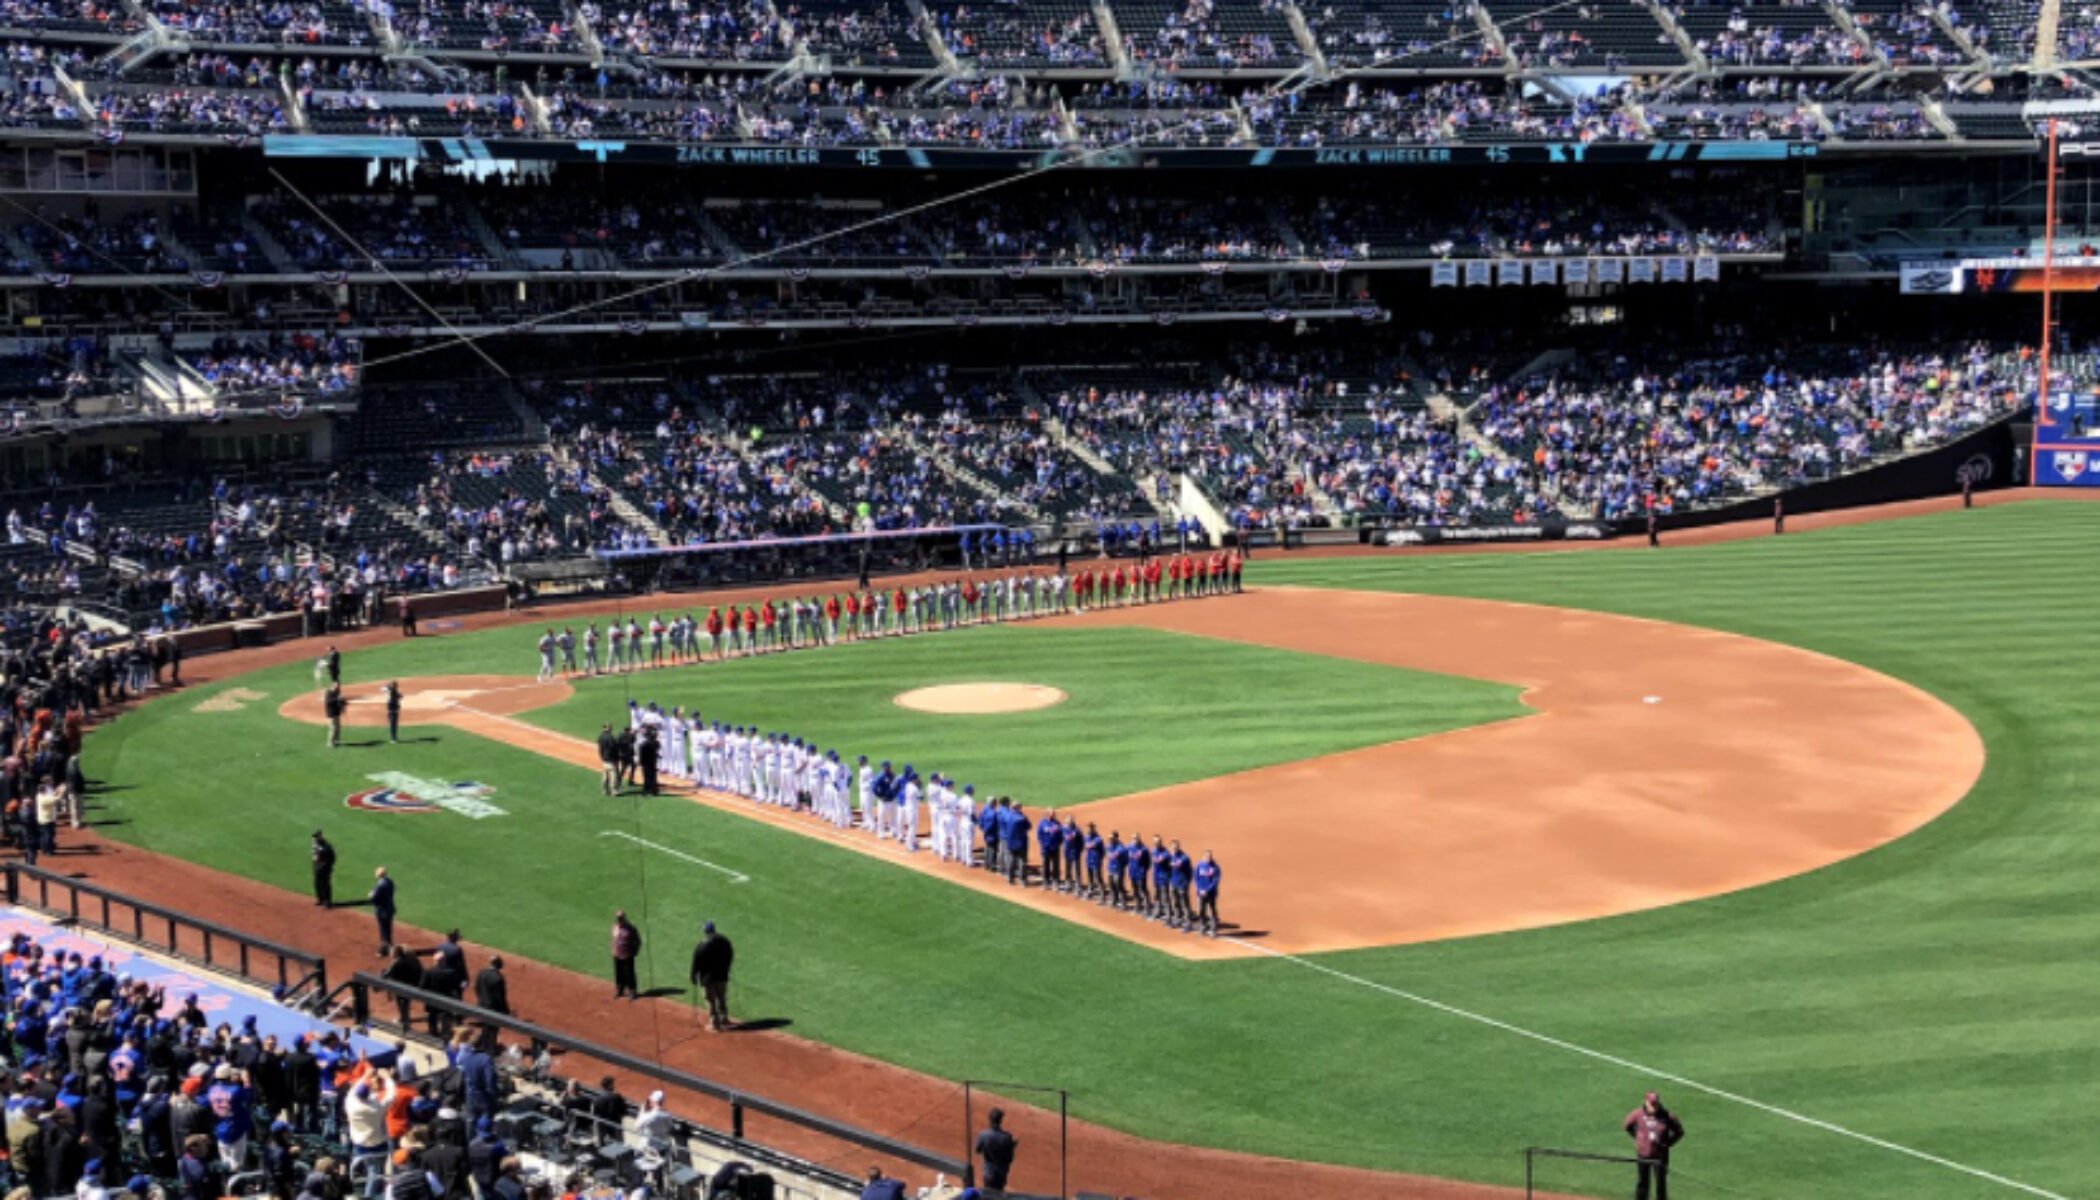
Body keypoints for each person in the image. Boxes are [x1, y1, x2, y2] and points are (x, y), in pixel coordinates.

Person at [1624, 1091, 1683, 1200]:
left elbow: (1679, 1132)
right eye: (1651, 1104)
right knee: (1642, 1182)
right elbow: (1627, 1125)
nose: (1653, 1107)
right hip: (1643, 1154)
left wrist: (1668, 1144)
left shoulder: (1667, 1116)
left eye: (1655, 1104)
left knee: (1661, 1183)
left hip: (1660, 1156)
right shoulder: (1637, 1114)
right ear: (1646, 1102)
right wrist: (1637, 1138)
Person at [688, 922, 734, 1032]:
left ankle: (714, 1023)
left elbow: (696, 962)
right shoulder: (724, 941)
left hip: (707, 978)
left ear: (705, 931)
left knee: (710, 1000)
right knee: (721, 997)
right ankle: (724, 1017)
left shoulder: (702, 945)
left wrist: (693, 975)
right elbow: (730, 954)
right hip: (722, 975)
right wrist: (727, 968)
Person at [972, 1108, 1016, 1195]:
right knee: (999, 1194)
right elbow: (1010, 1158)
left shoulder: (983, 1135)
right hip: (1001, 1173)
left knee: (988, 1194)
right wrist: (1011, 1147)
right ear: (1000, 1120)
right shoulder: (1007, 1137)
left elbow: (977, 1150)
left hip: (988, 1171)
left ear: (990, 1120)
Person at [610, 911, 642, 1000]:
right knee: (618, 973)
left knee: (629, 974)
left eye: (620, 918)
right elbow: (613, 940)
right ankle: (620, 989)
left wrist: (635, 951)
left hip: (627, 955)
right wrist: (613, 950)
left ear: (624, 918)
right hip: (617, 954)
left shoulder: (631, 928)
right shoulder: (615, 927)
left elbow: (637, 941)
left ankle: (632, 991)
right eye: (618, 918)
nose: (619, 920)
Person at [368, 867, 396, 956]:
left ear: (378, 875)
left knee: (383, 931)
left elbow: (374, 897)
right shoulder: (390, 882)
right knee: (388, 929)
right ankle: (391, 948)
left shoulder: (381, 885)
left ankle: (383, 951)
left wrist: (371, 894)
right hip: (390, 908)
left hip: (382, 911)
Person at [1195, 850, 1222, 937]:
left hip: (1211, 894)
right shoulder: (1199, 866)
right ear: (1203, 857)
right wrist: (1200, 889)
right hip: (1201, 893)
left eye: (1209, 856)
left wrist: (1207, 890)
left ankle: (1213, 929)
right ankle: (1203, 926)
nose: (1208, 858)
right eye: (1206, 856)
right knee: (1201, 910)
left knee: (1212, 911)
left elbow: (1215, 881)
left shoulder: (1215, 867)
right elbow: (1196, 878)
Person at [311, 831, 336, 907]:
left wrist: (330, 866)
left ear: (320, 837)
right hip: (318, 867)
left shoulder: (327, 846)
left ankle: (327, 901)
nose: (314, 840)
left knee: (325, 884)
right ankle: (320, 899)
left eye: (316, 838)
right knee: (317, 883)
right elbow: (315, 855)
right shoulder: (315, 845)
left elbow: (333, 857)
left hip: (325, 868)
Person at [597, 723, 619, 797]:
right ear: (609, 728)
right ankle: (613, 791)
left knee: (605, 775)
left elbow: (600, 748)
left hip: (604, 759)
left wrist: (602, 756)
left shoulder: (601, 736)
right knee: (613, 775)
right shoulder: (611, 737)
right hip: (611, 759)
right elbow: (614, 748)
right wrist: (616, 758)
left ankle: (604, 790)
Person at [323, 684, 344, 749]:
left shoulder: (336, 692)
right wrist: (337, 699)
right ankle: (330, 742)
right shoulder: (328, 693)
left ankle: (336, 740)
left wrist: (343, 703)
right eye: (335, 688)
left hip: (336, 712)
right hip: (331, 713)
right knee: (333, 728)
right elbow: (328, 701)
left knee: (338, 727)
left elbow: (339, 701)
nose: (336, 689)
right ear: (331, 687)